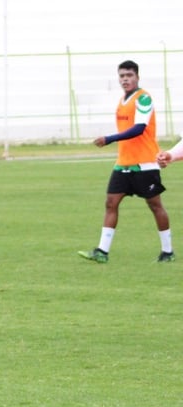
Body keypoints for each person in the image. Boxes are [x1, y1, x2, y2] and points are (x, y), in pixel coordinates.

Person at [79, 60, 174, 263]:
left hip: (145, 163)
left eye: (129, 75)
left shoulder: (144, 99)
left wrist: (109, 138)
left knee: (155, 205)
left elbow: (139, 128)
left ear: (137, 77)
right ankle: (102, 252)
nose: (125, 79)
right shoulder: (123, 99)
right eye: (122, 76)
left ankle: (168, 251)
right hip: (123, 162)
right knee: (111, 203)